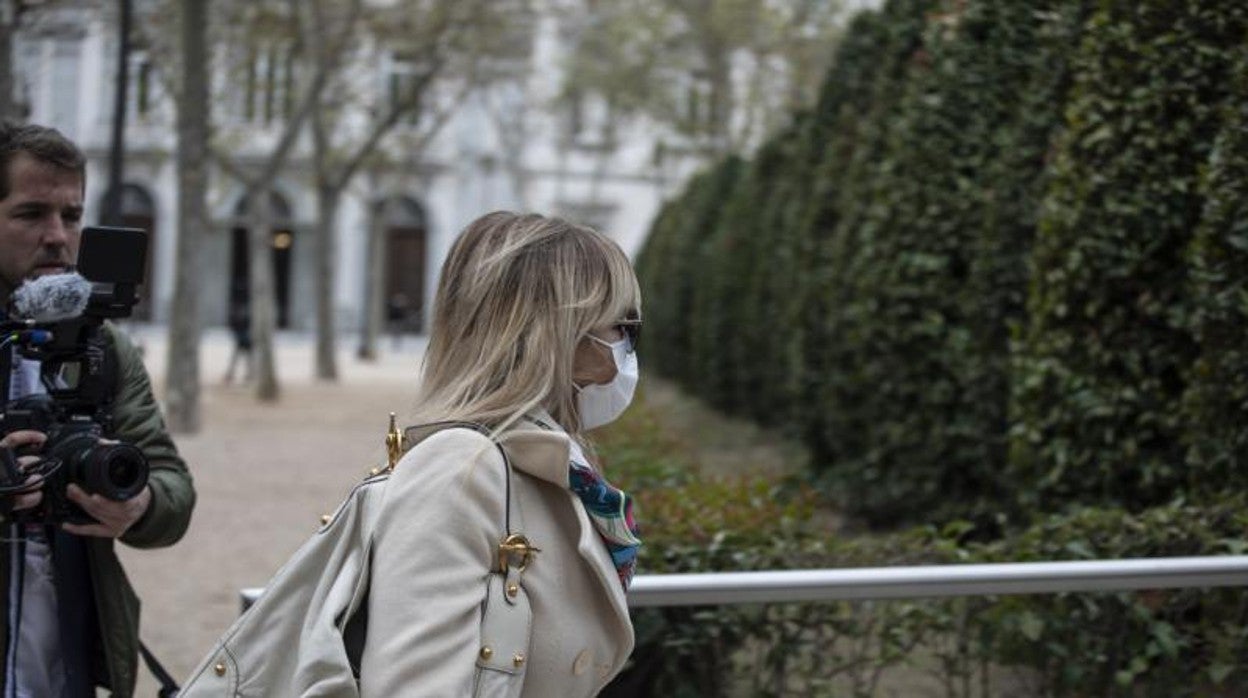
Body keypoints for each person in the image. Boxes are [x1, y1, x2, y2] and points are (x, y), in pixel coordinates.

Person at [359, 211, 641, 696]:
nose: (627, 347)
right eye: (622, 327)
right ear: (556, 335)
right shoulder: (458, 471)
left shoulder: (543, 463)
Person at [0, 121, 195, 697]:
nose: (58, 237)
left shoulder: (102, 346)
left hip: (68, 669)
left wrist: (138, 504)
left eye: (72, 216)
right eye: (31, 214)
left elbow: (173, 487)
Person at [222, 300, 252, 384]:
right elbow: (233, 329)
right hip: (240, 342)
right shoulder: (236, 320)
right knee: (235, 360)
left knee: (248, 361)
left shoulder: (246, 319)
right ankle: (230, 375)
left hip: (246, 342)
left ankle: (249, 375)